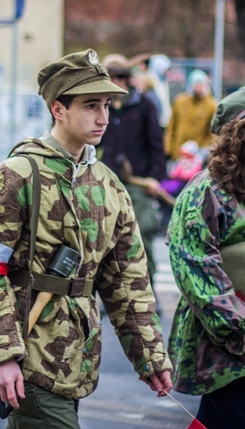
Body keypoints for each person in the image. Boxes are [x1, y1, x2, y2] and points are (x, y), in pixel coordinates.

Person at [0, 49, 172, 428]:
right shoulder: (17, 175)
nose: (104, 117)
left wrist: (151, 357)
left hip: (78, 359)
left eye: (107, 105)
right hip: (30, 355)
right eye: (91, 105)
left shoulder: (108, 184)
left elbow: (128, 282)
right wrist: (2, 356)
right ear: (58, 109)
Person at [166, 86, 245, 428]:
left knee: (215, 421)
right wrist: (238, 325)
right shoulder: (203, 193)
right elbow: (195, 266)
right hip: (221, 343)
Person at [98, 53, 167, 302]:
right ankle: (111, 294)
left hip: (139, 184)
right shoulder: (101, 108)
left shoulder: (144, 105)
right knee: (105, 238)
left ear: (127, 79)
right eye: (111, 78)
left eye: (119, 77)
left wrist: (155, 178)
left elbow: (156, 145)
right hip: (106, 183)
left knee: (143, 234)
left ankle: (148, 294)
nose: (116, 82)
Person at [163, 68, 217, 160]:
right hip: (177, 154)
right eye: (196, 83)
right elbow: (171, 126)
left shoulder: (211, 105)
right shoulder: (180, 101)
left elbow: (214, 133)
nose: (199, 87)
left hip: (198, 156)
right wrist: (168, 149)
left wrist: (206, 152)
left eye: (201, 84)